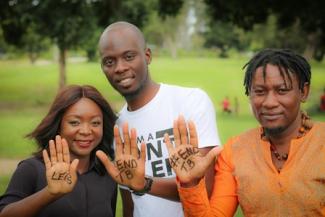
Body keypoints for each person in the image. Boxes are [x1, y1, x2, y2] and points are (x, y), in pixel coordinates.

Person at [164, 48, 325, 216]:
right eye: (260, 92)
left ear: (303, 92)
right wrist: (190, 183)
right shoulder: (235, 151)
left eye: (282, 90)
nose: (269, 102)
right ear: (249, 94)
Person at [97, 21, 221, 217]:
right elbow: (129, 205)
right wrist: (135, 186)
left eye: (128, 56)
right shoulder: (117, 127)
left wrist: (145, 184)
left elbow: (204, 187)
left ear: (147, 56)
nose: (119, 68)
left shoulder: (190, 101)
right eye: (109, 62)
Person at [0, 85, 117, 217]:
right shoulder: (31, 169)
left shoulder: (107, 176)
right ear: (58, 125)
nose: (86, 131)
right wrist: (49, 194)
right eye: (74, 122)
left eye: (95, 123)